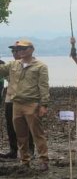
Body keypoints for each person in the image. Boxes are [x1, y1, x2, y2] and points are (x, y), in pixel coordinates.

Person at [0, 40, 50, 170]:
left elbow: (44, 86)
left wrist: (44, 105)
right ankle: (24, 160)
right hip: (16, 104)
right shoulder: (13, 65)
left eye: (23, 48)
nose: (20, 51)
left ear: (31, 49)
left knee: (37, 134)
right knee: (21, 135)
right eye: (18, 49)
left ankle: (44, 160)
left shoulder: (40, 66)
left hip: (32, 103)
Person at [0, 46, 34, 159]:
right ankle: (13, 150)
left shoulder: (30, 64)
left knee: (27, 125)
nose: (14, 53)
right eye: (13, 51)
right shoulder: (10, 65)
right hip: (10, 98)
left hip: (24, 99)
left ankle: (30, 150)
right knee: (10, 125)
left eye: (17, 50)